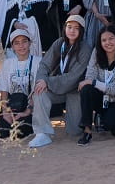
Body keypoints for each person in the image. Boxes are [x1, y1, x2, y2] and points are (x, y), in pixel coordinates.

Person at [36, 14, 91, 145]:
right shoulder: (59, 43)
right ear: (65, 28)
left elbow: (73, 77)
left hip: (75, 91)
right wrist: (41, 80)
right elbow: (44, 64)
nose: (72, 31)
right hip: (56, 87)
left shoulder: (85, 48)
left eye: (76, 28)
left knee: (74, 131)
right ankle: (42, 133)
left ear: (81, 31)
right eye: (69, 27)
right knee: (40, 92)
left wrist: (47, 82)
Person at [79, 29, 115, 143]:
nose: (108, 42)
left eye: (111, 38)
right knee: (86, 89)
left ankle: (107, 118)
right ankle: (87, 131)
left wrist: (95, 83)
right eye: (104, 40)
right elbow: (90, 77)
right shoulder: (96, 54)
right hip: (105, 97)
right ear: (100, 43)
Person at [0, 23, 49, 143]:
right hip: (13, 106)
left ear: (30, 43)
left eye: (24, 42)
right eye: (17, 43)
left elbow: (40, 90)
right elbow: (4, 91)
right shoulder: (8, 63)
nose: (21, 46)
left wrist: (27, 111)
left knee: (19, 133)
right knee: (2, 132)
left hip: (31, 108)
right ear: (12, 46)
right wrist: (6, 112)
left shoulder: (38, 62)